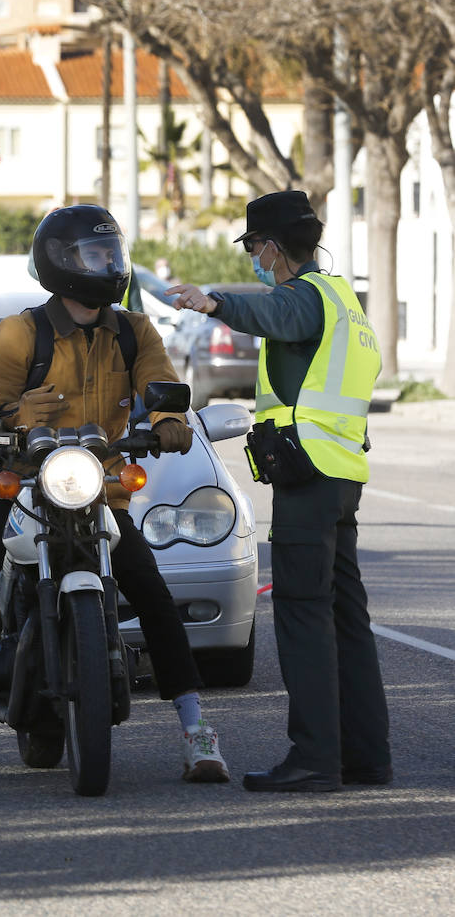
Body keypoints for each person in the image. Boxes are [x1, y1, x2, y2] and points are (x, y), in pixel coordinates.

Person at [0, 204, 229, 786]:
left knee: (153, 594)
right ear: (60, 263)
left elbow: (163, 389)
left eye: (111, 254)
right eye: (94, 256)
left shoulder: (134, 330)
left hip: (102, 489)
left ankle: (197, 732)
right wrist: (14, 415)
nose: (107, 265)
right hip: (27, 486)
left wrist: (168, 420)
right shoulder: (22, 331)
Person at [167, 190, 389, 792]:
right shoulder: (342, 296)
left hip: (309, 473)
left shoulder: (305, 297)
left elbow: (278, 315)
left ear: (270, 246)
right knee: (346, 618)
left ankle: (315, 757)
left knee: (301, 614)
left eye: (252, 250)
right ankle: (366, 757)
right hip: (341, 472)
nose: (252, 261)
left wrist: (214, 302)